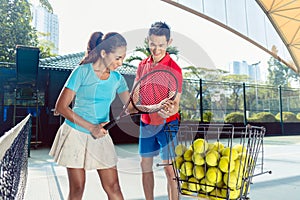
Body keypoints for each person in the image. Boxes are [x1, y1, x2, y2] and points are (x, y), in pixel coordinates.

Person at [49, 31, 130, 200]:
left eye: (123, 58)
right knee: (77, 189)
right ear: (103, 53)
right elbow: (61, 107)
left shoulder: (117, 78)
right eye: (117, 58)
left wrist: (154, 106)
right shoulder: (82, 71)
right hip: (75, 133)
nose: (120, 63)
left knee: (113, 187)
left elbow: (131, 105)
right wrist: (92, 127)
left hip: (101, 135)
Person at [135, 22, 183, 200]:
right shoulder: (141, 66)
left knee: (170, 168)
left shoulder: (175, 70)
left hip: (168, 124)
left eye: (161, 45)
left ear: (169, 42)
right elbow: (136, 97)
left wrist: (170, 110)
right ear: (148, 40)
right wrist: (146, 108)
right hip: (146, 123)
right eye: (153, 44)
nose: (156, 50)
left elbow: (175, 103)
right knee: (145, 165)